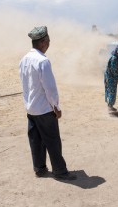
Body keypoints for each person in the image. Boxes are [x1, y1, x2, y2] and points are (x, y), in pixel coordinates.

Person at [19, 26, 76, 180]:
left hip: (31, 109)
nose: (49, 44)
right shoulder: (43, 61)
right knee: (52, 141)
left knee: (35, 140)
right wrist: (56, 107)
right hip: (44, 109)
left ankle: (39, 169)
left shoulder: (23, 60)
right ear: (43, 42)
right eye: (48, 41)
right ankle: (60, 171)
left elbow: (25, 85)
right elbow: (50, 88)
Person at [104, 44, 118, 111]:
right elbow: (114, 70)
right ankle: (110, 106)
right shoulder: (114, 58)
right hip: (110, 77)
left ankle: (110, 105)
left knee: (111, 91)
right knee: (111, 92)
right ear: (117, 51)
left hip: (113, 77)